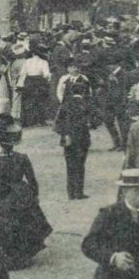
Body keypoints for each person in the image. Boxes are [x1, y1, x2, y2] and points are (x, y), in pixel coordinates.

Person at [0, 121, 51, 270]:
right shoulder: (22, 158)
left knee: (6, 225)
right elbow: (32, 179)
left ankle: (9, 257)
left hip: (4, 195)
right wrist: (34, 195)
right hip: (22, 193)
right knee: (26, 223)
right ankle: (24, 255)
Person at [55, 65, 95, 199]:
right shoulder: (85, 105)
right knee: (80, 165)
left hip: (68, 139)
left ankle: (70, 192)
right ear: (83, 92)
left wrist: (64, 134)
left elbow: (57, 124)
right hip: (82, 138)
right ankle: (79, 191)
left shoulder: (65, 106)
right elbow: (95, 121)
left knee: (70, 165)